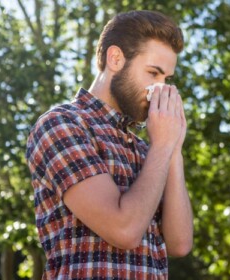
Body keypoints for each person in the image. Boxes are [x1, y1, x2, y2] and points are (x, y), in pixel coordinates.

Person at [25, 10, 193, 279]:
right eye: (153, 73)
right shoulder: (63, 124)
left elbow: (179, 243)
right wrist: (162, 146)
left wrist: (173, 148)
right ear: (115, 59)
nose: (160, 91)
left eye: (167, 80)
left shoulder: (146, 150)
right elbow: (123, 230)